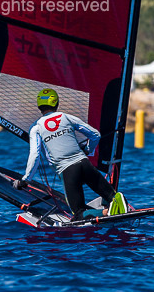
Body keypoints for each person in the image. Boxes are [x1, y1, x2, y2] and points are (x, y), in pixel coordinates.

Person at [17, 88, 127, 219]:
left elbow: (35, 155)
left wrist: (26, 180)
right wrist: (87, 150)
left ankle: (107, 213)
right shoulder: (66, 117)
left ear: (39, 106)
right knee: (111, 196)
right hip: (84, 164)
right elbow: (95, 135)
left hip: (68, 171)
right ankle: (114, 202)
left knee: (78, 213)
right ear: (56, 104)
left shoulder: (36, 127)